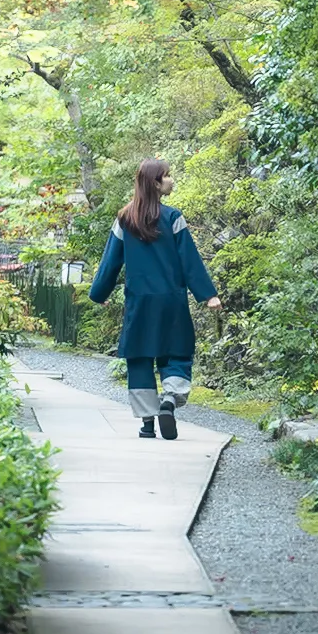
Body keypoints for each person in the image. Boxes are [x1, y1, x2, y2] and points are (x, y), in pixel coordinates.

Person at [87, 158, 220, 439]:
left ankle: (147, 423)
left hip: (139, 303)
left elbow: (110, 262)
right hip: (171, 300)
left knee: (139, 358)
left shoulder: (125, 219)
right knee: (177, 352)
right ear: (155, 184)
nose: (171, 180)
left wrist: (99, 293)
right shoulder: (173, 217)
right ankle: (169, 400)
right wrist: (208, 295)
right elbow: (189, 261)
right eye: (167, 176)